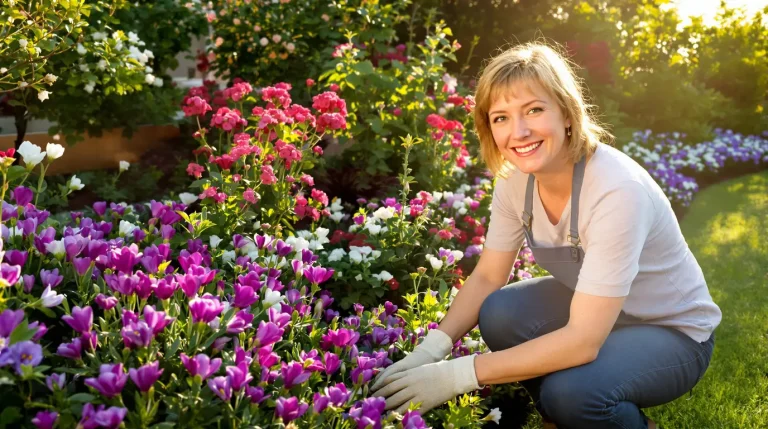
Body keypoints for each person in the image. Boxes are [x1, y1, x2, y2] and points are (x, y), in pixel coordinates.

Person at [370, 42, 722, 429]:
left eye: (534, 110)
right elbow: (488, 277)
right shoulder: (515, 183)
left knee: (572, 393)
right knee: (500, 313)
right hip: (602, 311)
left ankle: (598, 413)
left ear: (567, 113)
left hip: (673, 333)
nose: (518, 132)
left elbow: (583, 340)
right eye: (500, 117)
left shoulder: (616, 190)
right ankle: (562, 417)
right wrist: (429, 351)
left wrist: (456, 376)